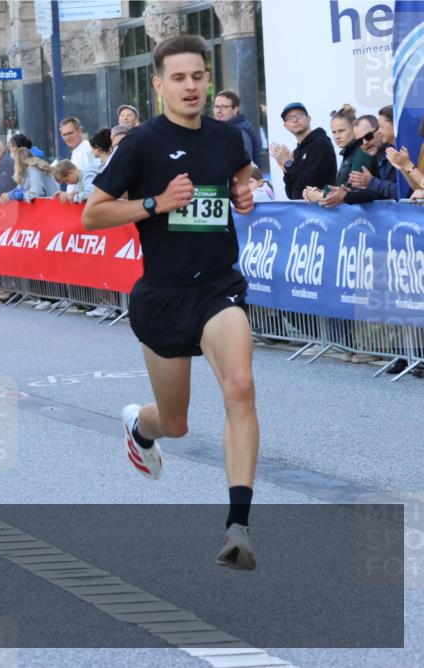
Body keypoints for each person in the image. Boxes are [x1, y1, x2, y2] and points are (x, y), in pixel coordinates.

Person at [83, 35, 259, 570]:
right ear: (158, 84)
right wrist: (157, 202)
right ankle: (141, 427)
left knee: (241, 384)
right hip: (162, 295)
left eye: (198, 76)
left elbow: (240, 181)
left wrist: (243, 195)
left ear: (208, 80)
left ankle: (238, 527)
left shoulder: (230, 138)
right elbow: (93, 214)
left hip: (217, 287)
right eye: (178, 78)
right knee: (176, 423)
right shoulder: (140, 144)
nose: (191, 86)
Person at [270, 102, 336, 200]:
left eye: (300, 115)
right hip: (304, 213)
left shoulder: (320, 144)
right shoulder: (296, 152)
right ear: (286, 126)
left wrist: (287, 163)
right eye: (290, 118)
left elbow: (308, 188)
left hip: (321, 212)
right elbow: (292, 195)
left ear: (309, 119)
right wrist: (286, 170)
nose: (295, 120)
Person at [213, 89, 261, 161]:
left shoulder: (240, 133)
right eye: (216, 107)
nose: (219, 110)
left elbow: (246, 168)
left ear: (235, 110)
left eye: (224, 107)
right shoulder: (225, 129)